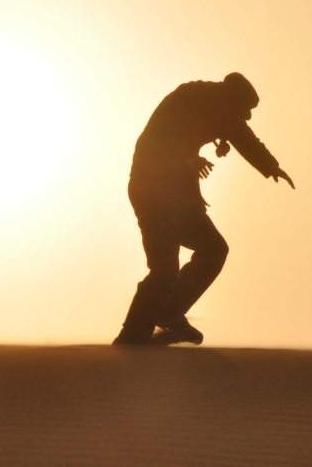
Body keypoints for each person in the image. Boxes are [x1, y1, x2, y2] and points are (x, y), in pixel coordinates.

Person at [113, 72, 294, 346]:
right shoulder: (187, 99)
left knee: (214, 249)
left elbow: (244, 137)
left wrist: (270, 166)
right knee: (164, 270)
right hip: (152, 193)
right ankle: (132, 337)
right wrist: (187, 158)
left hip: (181, 198)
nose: (245, 118)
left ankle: (169, 313)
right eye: (243, 110)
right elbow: (159, 139)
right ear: (228, 99)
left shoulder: (224, 111)